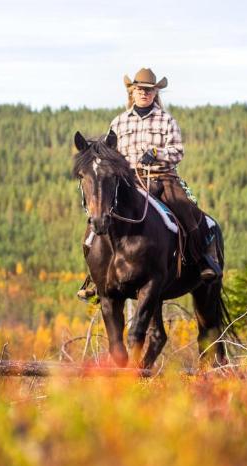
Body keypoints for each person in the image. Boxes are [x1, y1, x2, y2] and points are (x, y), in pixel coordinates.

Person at [77, 67, 220, 299]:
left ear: (155, 93)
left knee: (187, 209)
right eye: (140, 89)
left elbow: (178, 151)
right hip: (128, 181)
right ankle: (95, 275)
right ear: (132, 92)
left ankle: (201, 259)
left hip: (162, 178)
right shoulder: (119, 122)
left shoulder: (166, 120)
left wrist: (156, 153)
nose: (144, 93)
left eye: (149, 90)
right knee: (99, 216)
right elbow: (109, 153)